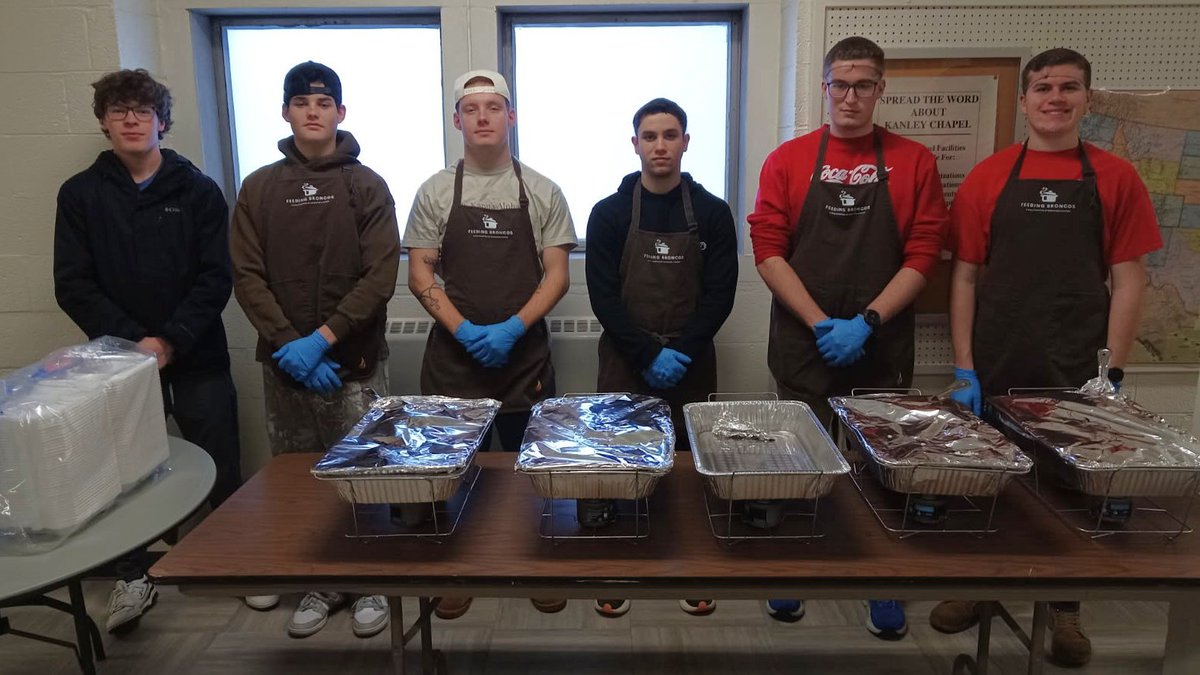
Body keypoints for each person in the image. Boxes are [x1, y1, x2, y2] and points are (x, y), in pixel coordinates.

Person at [932, 47, 1163, 668]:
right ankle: (981, 590)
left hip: (1078, 364)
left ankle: (1066, 609)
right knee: (989, 481)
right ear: (1026, 99)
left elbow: (1129, 278)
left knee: (1074, 487)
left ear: (1087, 98)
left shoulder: (1115, 178)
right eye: (1042, 88)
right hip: (998, 355)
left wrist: (1109, 373)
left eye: (1067, 88)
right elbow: (965, 279)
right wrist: (964, 366)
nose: (1054, 98)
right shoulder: (990, 176)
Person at [747, 36, 948, 639]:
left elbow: (923, 251)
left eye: (864, 85)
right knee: (796, 463)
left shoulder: (914, 161)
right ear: (825, 88)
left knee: (881, 466)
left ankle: (881, 581)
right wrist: (820, 324)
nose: (851, 96)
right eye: (841, 84)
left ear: (881, 89)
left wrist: (868, 321)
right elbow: (767, 250)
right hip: (804, 341)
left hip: (880, 343)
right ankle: (794, 572)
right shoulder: (787, 159)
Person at [54, 69, 243, 633]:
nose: (132, 120)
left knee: (219, 460)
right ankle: (132, 578)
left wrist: (170, 339)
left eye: (143, 110)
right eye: (120, 111)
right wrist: (134, 343)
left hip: (197, 354)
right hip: (116, 361)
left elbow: (216, 277)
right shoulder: (80, 195)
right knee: (122, 472)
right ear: (104, 122)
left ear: (162, 121)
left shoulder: (198, 190)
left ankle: (234, 564)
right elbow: (73, 283)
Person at [230, 61, 400, 639]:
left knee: (366, 473)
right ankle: (318, 582)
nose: (312, 110)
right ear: (285, 112)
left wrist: (323, 340)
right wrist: (289, 346)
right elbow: (247, 276)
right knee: (300, 478)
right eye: (301, 102)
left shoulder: (367, 184)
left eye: (323, 103)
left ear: (340, 113)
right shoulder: (257, 188)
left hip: (354, 365)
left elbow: (380, 276)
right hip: (287, 370)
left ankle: (373, 580)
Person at [404, 69, 576, 621]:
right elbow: (419, 274)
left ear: (511, 117)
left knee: (532, 468)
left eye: (493, 107)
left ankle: (536, 564)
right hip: (455, 358)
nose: (483, 117)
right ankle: (458, 570)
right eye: (471, 109)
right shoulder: (434, 190)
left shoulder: (543, 190)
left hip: (523, 356)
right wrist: (466, 332)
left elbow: (557, 277)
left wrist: (510, 330)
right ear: (457, 120)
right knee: (453, 468)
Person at [585, 97, 737, 618]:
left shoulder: (714, 213)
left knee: (693, 465)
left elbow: (721, 294)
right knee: (624, 461)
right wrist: (648, 353)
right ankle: (621, 565)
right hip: (627, 357)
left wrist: (682, 351)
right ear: (635, 145)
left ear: (686, 143)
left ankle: (693, 565)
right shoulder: (607, 213)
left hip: (692, 359)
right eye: (649, 136)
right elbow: (603, 296)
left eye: (670, 135)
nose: (660, 146)